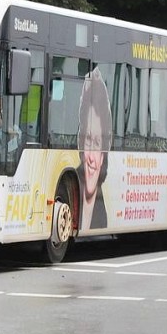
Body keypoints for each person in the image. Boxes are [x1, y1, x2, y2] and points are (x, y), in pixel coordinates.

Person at [76, 68, 113, 231]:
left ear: (103, 155)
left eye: (97, 143)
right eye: (88, 140)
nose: (91, 158)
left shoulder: (103, 216)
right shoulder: (70, 183)